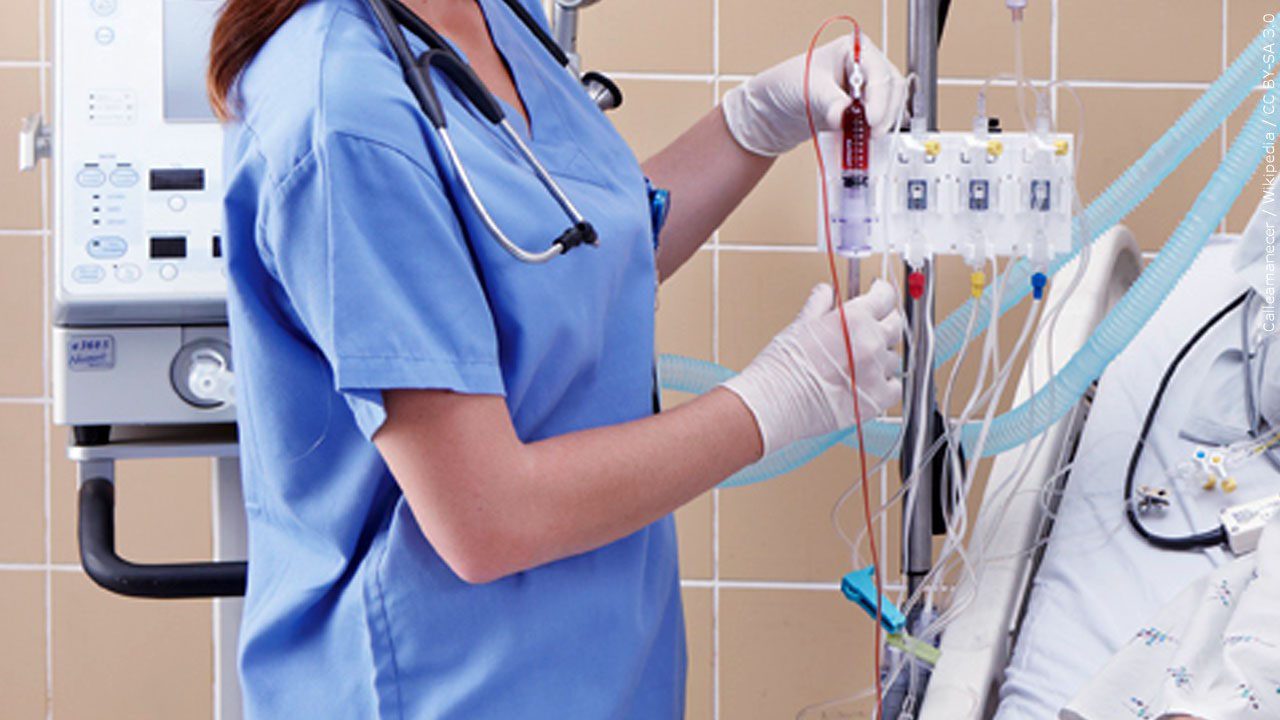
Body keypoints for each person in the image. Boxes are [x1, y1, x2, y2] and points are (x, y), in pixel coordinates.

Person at [208, 0, 906, 716]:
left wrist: (757, 121)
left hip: (599, 674)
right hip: (440, 688)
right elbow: (486, 516)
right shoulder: (344, 116)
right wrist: (773, 402)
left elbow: (563, 260)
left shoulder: (491, 19)